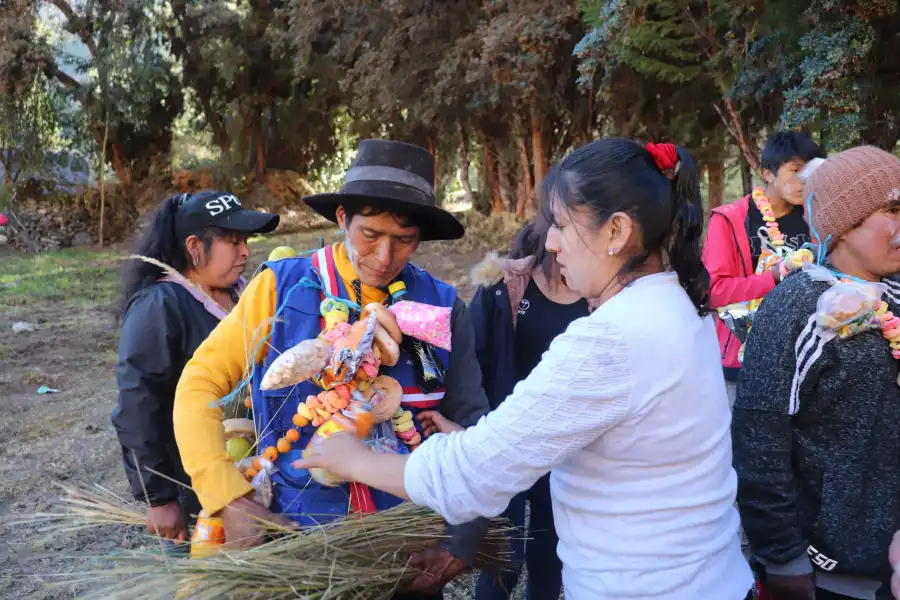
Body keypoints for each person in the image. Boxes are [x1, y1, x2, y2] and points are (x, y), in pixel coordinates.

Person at [293, 138, 754, 600]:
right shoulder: (676, 304)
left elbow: (471, 478)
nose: (549, 243)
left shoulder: (610, 340)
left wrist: (353, 460)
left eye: (560, 225)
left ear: (616, 232)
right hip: (714, 578)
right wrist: (475, 441)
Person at [173, 140, 492, 599]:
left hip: (407, 551)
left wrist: (461, 542)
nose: (384, 257)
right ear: (342, 218)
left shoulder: (441, 307)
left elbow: (477, 429)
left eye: (403, 241)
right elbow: (199, 385)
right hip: (297, 545)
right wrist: (227, 497)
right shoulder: (279, 289)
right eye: (370, 235)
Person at [733, 146, 900, 600]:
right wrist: (783, 558)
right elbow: (759, 438)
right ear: (844, 225)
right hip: (826, 573)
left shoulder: (896, 293)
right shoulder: (795, 308)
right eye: (893, 209)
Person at [113, 191, 279, 547]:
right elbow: (138, 404)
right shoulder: (160, 306)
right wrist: (159, 497)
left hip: (254, 477)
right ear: (194, 247)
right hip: (196, 494)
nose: (245, 251)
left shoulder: (242, 294)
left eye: (246, 241)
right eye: (233, 242)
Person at [465, 218, 589, 600]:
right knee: (503, 555)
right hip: (510, 441)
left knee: (550, 552)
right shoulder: (504, 292)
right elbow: (472, 361)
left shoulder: (600, 295)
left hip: (567, 448)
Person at [703, 132, 826, 405]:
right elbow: (714, 292)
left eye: (810, 171)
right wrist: (773, 277)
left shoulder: (818, 218)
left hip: (807, 356)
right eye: (795, 170)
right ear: (768, 174)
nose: (803, 180)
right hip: (746, 358)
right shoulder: (730, 220)